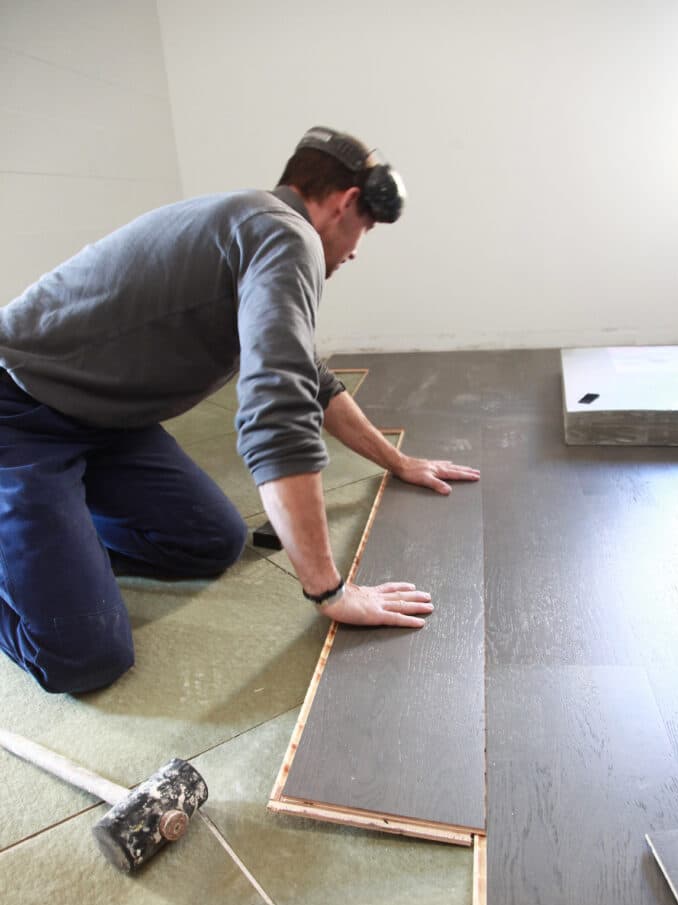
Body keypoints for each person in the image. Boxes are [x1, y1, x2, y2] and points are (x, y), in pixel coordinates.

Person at [0, 125, 480, 696]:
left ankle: (53, 551)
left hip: (107, 424)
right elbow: (277, 419)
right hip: (19, 414)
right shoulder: (285, 237)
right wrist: (331, 592)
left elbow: (312, 379)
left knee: (210, 542)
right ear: (346, 203)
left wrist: (397, 461)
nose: (355, 251)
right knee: (83, 658)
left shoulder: (254, 225)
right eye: (364, 230)